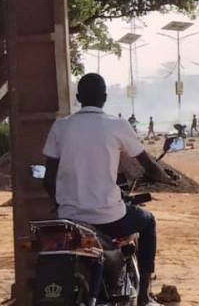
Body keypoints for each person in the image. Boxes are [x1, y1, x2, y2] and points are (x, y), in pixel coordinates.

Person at [42, 73, 172, 306]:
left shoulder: (60, 126)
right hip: (109, 218)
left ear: (79, 97)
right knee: (148, 221)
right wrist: (163, 177)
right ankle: (144, 295)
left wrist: (62, 204)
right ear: (104, 97)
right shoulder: (117, 125)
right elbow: (148, 164)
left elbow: (47, 179)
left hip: (69, 219)